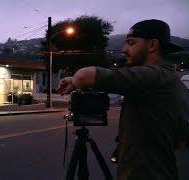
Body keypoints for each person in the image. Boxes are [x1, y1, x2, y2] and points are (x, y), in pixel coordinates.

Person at [57, 19, 189, 180]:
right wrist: (74, 80)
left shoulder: (155, 76)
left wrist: (77, 79)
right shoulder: (168, 80)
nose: (124, 49)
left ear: (153, 45)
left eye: (131, 43)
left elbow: (85, 76)